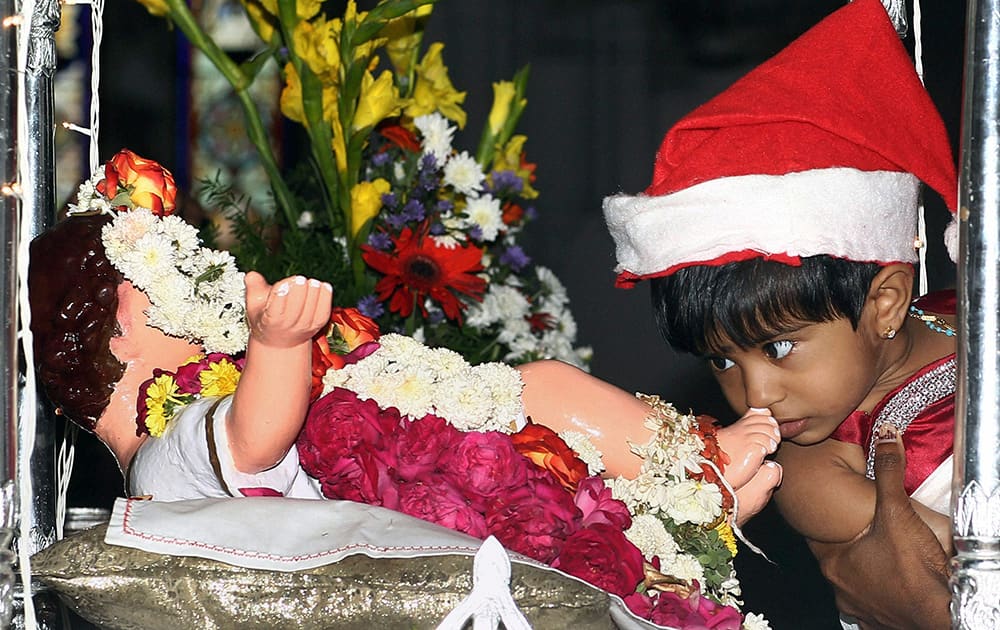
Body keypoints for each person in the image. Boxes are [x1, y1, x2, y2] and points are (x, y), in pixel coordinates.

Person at [29, 150, 781, 525]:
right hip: (391, 537)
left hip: (383, 519)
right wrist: (281, 348)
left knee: (532, 408)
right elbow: (253, 437)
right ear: (123, 330)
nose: (203, 296)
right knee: (540, 394)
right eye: (174, 284)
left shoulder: (173, 448)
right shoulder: (164, 462)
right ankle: (695, 480)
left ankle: (683, 494)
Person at [600, 0, 956, 626]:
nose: (757, 393)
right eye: (721, 359)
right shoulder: (809, 467)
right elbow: (954, 566)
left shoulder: (962, 317)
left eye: (779, 347)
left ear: (887, 303)